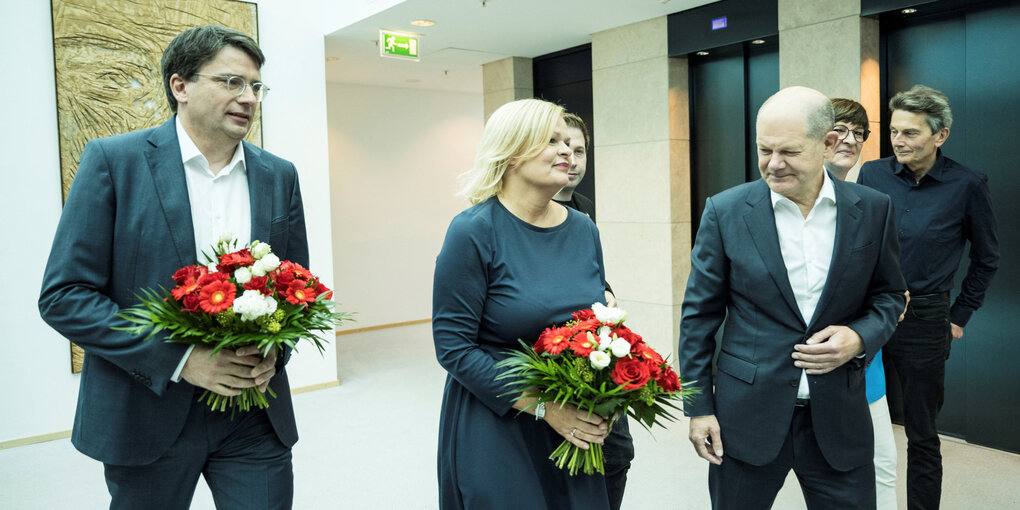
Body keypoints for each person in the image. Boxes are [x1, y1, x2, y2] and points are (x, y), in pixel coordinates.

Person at [38, 25, 307, 509]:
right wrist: (183, 361)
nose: (247, 97)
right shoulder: (114, 162)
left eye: (255, 86)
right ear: (179, 86)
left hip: (253, 415)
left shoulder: (279, 175)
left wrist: (274, 351)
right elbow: (65, 296)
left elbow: (296, 285)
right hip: (146, 411)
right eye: (231, 82)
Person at [678, 86, 906, 509]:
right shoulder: (726, 211)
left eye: (789, 152)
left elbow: (890, 295)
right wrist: (698, 408)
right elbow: (698, 317)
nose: (774, 164)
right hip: (747, 417)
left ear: (829, 144)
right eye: (764, 150)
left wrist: (859, 338)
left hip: (839, 416)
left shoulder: (874, 209)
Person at [432, 98, 612, 510]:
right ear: (512, 153)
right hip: (496, 421)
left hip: (574, 419)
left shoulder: (584, 229)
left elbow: (597, 323)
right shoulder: (473, 231)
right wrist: (546, 408)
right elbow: (454, 348)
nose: (568, 151)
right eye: (552, 140)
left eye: (570, 142)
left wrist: (608, 393)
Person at [858, 85, 999, 510]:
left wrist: (958, 315)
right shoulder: (873, 175)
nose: (899, 141)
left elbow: (987, 258)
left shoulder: (968, 184)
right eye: (895, 131)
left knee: (921, 432)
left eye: (911, 133)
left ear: (941, 135)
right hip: (868, 314)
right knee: (857, 422)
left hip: (925, 319)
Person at [554, 112, 634, 510]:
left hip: (594, 347)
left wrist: (607, 294)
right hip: (554, 356)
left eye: (580, 149)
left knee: (617, 454)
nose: (571, 157)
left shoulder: (583, 209)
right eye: (561, 146)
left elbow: (593, 273)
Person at [825, 98, 898, 509]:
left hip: (862, 358)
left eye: (860, 133)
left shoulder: (870, 204)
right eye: (841, 129)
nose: (850, 140)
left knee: (882, 464)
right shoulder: (784, 199)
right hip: (803, 365)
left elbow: (886, 285)